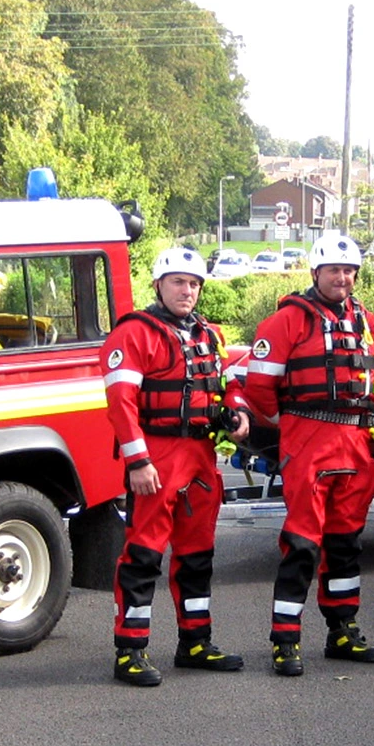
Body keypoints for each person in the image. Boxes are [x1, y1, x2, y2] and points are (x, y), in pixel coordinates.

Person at [101, 246, 251, 687]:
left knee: (197, 554)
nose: (188, 291)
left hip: (200, 456)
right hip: (158, 454)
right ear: (158, 286)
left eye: (194, 284)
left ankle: (196, 642)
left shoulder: (208, 333)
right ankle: (130, 651)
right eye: (179, 282)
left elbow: (228, 383)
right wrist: (138, 460)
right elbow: (121, 403)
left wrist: (238, 412)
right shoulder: (135, 333)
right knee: (144, 553)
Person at [243, 231, 374, 677]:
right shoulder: (287, 321)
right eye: (333, 270)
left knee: (346, 545)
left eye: (349, 271)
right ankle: (285, 640)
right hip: (309, 440)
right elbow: (259, 388)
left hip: (355, 443)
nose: (342, 278)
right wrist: (290, 425)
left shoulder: (366, 320)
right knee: (303, 544)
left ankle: (342, 630)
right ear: (315, 272)